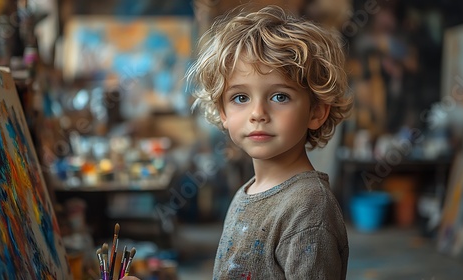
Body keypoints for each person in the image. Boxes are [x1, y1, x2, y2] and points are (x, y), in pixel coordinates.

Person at [123, 4, 351, 280]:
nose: (258, 114)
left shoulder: (309, 211)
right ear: (223, 112)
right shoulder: (246, 194)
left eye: (279, 96)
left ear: (316, 111)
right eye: (240, 98)